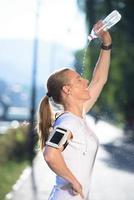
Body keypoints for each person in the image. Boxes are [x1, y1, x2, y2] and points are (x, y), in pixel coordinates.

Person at [37, 21, 112, 200]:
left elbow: (99, 79)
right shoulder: (68, 123)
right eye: (79, 80)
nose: (85, 82)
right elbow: (50, 154)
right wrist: (74, 181)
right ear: (67, 90)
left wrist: (106, 43)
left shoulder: (78, 116)